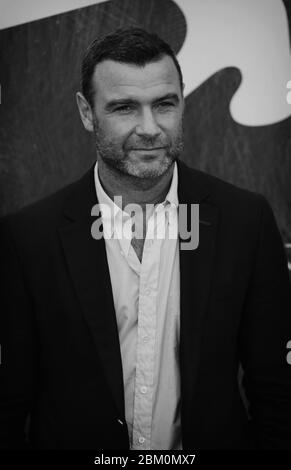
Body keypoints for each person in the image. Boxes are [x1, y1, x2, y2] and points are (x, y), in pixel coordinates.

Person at [0, 27, 291, 451]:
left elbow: (278, 390)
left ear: (182, 104)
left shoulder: (246, 221)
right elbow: (8, 405)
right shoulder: (27, 239)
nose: (150, 128)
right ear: (87, 112)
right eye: (123, 108)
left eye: (164, 104)